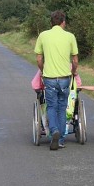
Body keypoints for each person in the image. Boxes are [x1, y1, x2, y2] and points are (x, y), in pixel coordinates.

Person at [34, 10, 79, 150]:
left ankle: (54, 131)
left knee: (51, 106)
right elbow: (75, 60)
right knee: (62, 107)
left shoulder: (43, 35)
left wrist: (42, 70)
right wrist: (73, 71)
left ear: (51, 22)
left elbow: (39, 59)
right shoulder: (70, 36)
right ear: (63, 22)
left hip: (49, 78)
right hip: (65, 78)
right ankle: (60, 140)